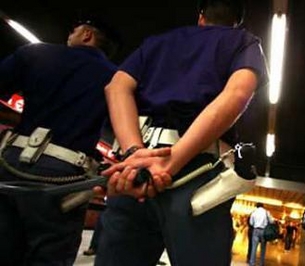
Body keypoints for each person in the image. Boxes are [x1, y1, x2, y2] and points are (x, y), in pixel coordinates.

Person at [95, 0, 268, 265]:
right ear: (236, 21)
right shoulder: (244, 41)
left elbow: (116, 87)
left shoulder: (158, 42)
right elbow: (237, 93)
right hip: (198, 171)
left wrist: (134, 152)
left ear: (201, 17)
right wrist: (172, 161)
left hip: (136, 170)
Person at [0, 17, 121, 265]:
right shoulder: (115, 78)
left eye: (73, 30)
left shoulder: (36, 53)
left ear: (87, 34)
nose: (69, 36)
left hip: (10, 163)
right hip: (64, 175)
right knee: (50, 256)